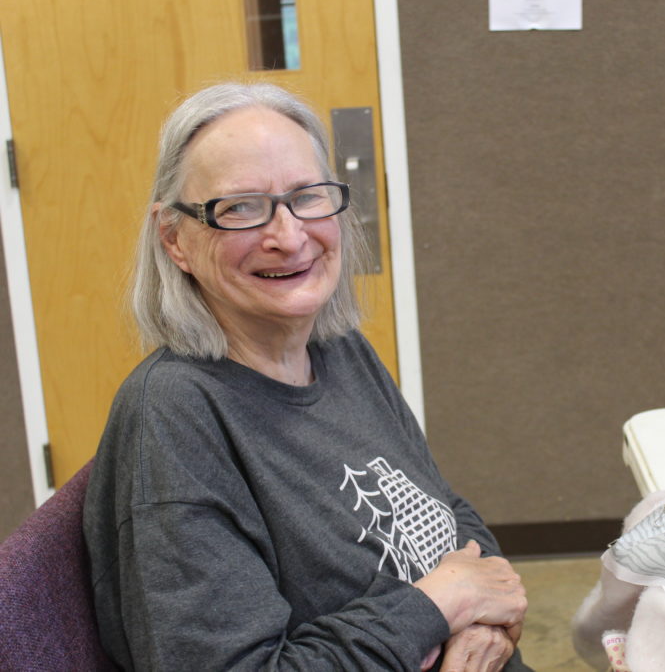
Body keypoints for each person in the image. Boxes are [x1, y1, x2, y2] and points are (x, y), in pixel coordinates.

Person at [83, 82, 530, 671]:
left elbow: (438, 504)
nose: (289, 236)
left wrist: (484, 616)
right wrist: (439, 606)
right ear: (175, 239)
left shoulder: (339, 349)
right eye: (240, 207)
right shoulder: (173, 417)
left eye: (307, 197)